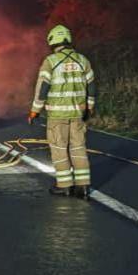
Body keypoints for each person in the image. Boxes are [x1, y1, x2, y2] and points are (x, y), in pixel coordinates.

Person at [29, 24, 95, 198]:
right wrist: (90, 106)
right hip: (78, 114)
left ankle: (64, 185)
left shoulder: (50, 61)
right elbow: (91, 86)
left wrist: (35, 110)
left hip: (58, 116)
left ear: (52, 41)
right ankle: (83, 187)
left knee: (59, 149)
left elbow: (42, 88)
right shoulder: (83, 60)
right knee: (78, 148)